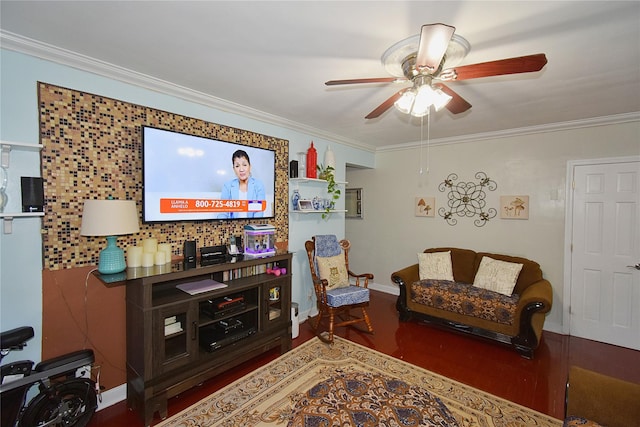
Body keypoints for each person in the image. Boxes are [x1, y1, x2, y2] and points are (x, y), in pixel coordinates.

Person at [218, 149, 266, 218]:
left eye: (244, 165)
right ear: (234, 169)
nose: (241, 169)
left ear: (250, 166)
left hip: (252, 226)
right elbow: (222, 212)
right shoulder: (227, 186)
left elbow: (259, 213)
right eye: (237, 166)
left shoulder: (259, 185)